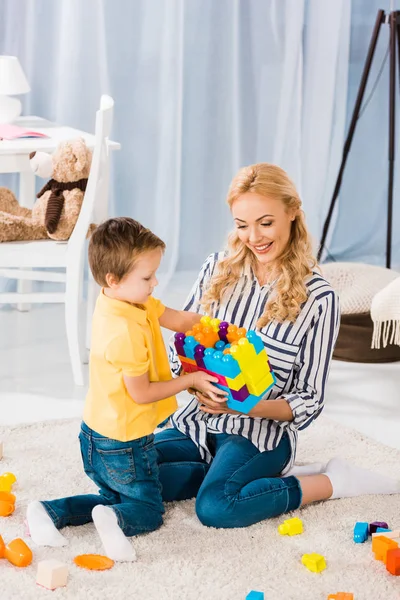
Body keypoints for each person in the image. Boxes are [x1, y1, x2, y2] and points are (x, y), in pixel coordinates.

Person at [155, 163, 400, 528]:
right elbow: (181, 350)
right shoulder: (216, 270)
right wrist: (191, 379)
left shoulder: (319, 298)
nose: (253, 237)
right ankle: (215, 467)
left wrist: (244, 407)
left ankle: (331, 480)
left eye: (265, 222)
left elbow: (310, 399)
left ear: (292, 213)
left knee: (216, 507)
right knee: (130, 473)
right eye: (242, 225)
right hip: (197, 421)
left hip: (261, 433)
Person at [26, 217, 225, 560]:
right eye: (147, 277)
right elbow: (142, 393)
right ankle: (113, 519)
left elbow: (178, 318)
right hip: (123, 443)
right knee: (147, 511)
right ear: (113, 280)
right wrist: (191, 379)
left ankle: (48, 511)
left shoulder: (129, 300)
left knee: (118, 494)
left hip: (97, 434)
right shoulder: (124, 333)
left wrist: (222, 332)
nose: (155, 282)